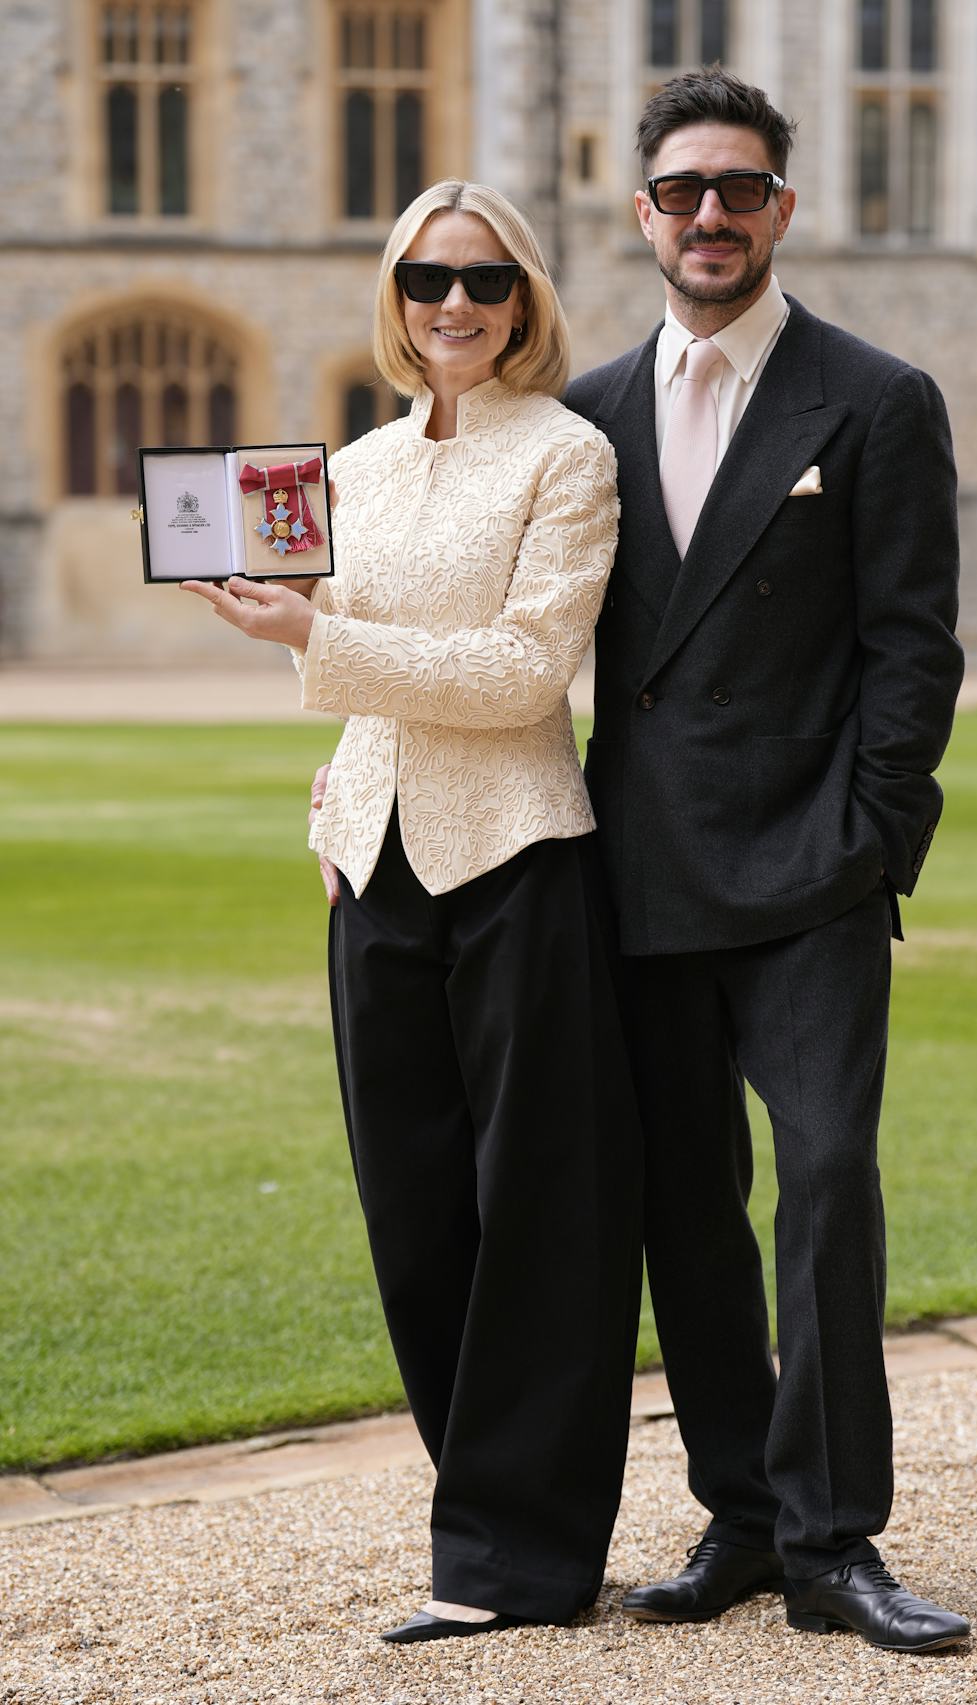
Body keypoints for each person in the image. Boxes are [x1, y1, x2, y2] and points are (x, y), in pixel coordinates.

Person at [182, 179, 643, 1646]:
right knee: (414, 1210)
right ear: (395, 293)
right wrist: (328, 785)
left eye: (486, 280)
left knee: (544, 1219)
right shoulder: (355, 468)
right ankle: (492, 1514)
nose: (456, 303)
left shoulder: (570, 458)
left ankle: (526, 1557)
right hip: (373, 867)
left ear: (525, 300)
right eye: (430, 277)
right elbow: (355, 669)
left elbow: (521, 677)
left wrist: (317, 635)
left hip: (516, 855)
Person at [559, 68, 970, 1654]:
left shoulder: (876, 398)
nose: (710, 216)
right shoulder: (583, 412)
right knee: (687, 1208)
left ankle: (835, 1537)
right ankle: (741, 1507)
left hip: (809, 873)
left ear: (781, 209)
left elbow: (911, 650)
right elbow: (515, 648)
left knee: (827, 1183)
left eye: (739, 190)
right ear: (643, 211)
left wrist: (870, 838)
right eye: (682, 192)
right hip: (639, 871)